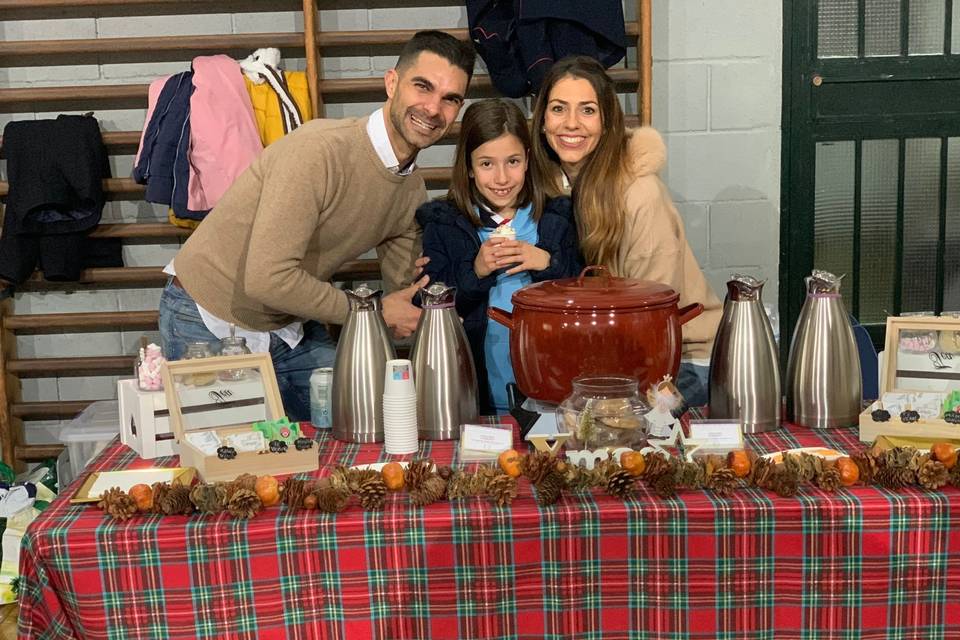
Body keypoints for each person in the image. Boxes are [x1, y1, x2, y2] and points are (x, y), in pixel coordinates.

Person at [158, 31, 476, 420]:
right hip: (206, 315)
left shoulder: (410, 190)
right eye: (422, 87)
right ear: (392, 83)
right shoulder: (318, 152)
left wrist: (456, 297)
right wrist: (375, 311)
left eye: (450, 99)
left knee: (365, 419)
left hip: (289, 323)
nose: (432, 108)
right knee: (235, 464)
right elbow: (267, 277)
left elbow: (401, 309)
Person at [530, 56, 722, 406]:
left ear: (607, 122)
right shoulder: (548, 186)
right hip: (609, 357)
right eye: (559, 109)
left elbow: (652, 321)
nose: (571, 124)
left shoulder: (640, 193)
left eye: (587, 110)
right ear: (542, 120)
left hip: (681, 363)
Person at [416, 99, 582, 413]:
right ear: (468, 166)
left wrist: (548, 264)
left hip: (551, 392)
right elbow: (427, 307)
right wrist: (475, 270)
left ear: (529, 160)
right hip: (476, 393)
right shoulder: (444, 224)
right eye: (487, 164)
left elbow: (584, 296)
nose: (502, 178)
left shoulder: (557, 219)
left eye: (513, 161)